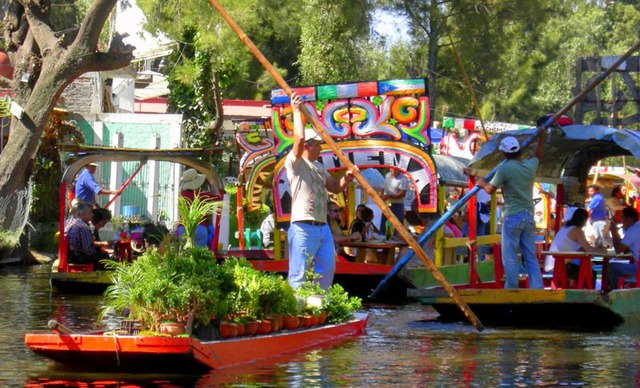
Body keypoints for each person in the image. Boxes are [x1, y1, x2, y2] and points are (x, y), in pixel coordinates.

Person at [285, 92, 356, 290]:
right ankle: (296, 311)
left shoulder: (319, 167)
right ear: (308, 146)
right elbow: (298, 139)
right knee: (299, 274)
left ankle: (318, 305)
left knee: (326, 270)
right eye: (317, 144)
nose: (321, 148)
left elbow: (335, 187)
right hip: (303, 226)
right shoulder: (294, 162)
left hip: (322, 227)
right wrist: (297, 110)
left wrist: (348, 178)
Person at [468, 135, 545, 289]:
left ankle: (512, 288)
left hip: (513, 217)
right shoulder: (530, 166)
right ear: (519, 150)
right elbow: (538, 155)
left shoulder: (505, 168)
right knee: (530, 256)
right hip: (528, 216)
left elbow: (490, 189)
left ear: (504, 154)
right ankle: (537, 287)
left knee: (510, 256)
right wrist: (542, 136)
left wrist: (482, 183)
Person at [544, 208, 605, 284]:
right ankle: (588, 293)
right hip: (558, 268)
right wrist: (603, 251)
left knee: (585, 268)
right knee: (590, 272)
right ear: (584, 221)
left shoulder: (565, 228)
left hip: (552, 266)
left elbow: (581, 248)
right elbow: (588, 249)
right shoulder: (576, 231)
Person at [176, 168, 219, 248]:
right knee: (199, 257)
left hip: (182, 229)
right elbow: (219, 199)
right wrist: (214, 186)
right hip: (199, 228)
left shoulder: (181, 195)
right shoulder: (200, 195)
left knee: (185, 256)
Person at [65, 202, 109, 267]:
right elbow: (88, 250)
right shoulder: (83, 227)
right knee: (104, 257)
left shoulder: (72, 222)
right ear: (82, 213)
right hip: (78, 257)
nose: (92, 215)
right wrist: (98, 253)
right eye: (90, 213)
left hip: (72, 255)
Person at [607, 207, 640, 290]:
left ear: (628, 219)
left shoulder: (633, 230)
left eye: (622, 219)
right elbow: (626, 250)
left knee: (612, 268)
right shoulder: (637, 228)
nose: (621, 222)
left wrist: (614, 232)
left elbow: (618, 250)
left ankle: (615, 294)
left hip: (638, 268)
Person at [586, 184, 609, 248]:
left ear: (597, 191)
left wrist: (589, 218)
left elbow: (588, 209)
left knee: (599, 243)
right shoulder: (599, 197)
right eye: (589, 191)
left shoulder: (597, 198)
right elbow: (589, 200)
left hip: (599, 222)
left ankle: (600, 256)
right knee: (606, 242)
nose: (590, 193)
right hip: (603, 221)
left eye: (592, 191)